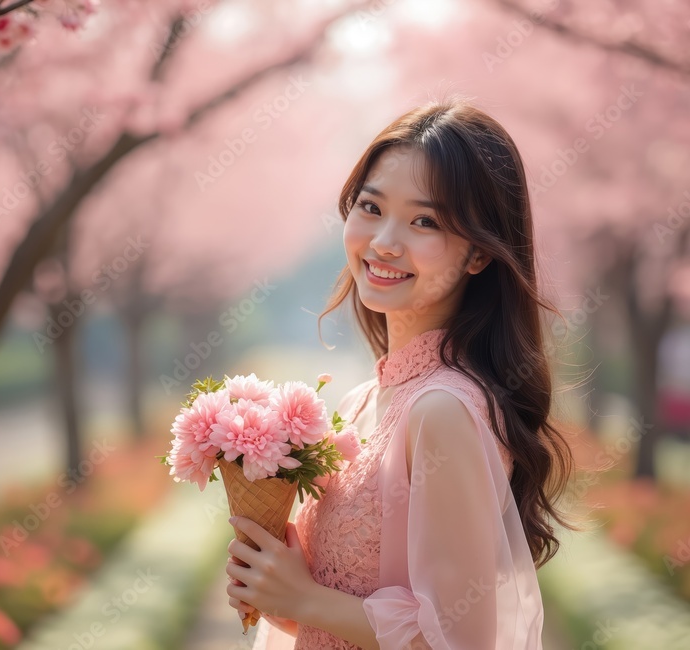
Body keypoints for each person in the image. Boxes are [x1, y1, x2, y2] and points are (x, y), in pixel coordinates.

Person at [223, 97, 578, 649]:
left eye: (424, 221)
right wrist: (279, 588)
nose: (385, 241)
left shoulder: (441, 411)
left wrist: (303, 598)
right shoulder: (363, 403)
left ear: (479, 255)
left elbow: (463, 640)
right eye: (371, 208)